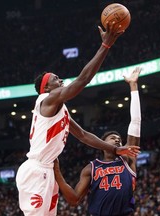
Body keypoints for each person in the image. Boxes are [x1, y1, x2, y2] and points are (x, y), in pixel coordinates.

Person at [15, 22, 140, 216]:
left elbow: (83, 135)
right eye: (56, 79)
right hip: (36, 169)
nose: (61, 80)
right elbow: (82, 81)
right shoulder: (47, 100)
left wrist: (115, 149)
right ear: (46, 88)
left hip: (47, 169)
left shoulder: (59, 110)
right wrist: (105, 46)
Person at [54, 67, 142, 216]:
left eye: (119, 139)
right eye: (112, 138)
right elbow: (74, 200)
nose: (117, 139)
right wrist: (57, 171)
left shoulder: (127, 159)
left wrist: (133, 86)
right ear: (102, 145)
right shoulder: (91, 168)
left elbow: (135, 122)